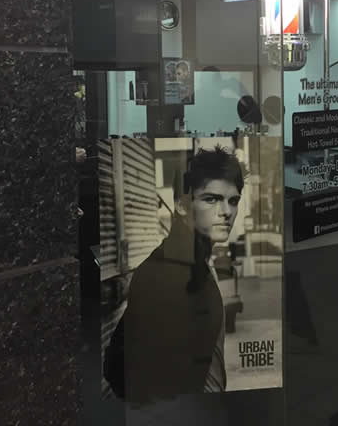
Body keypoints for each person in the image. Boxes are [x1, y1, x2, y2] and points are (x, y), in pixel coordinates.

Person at [104, 146, 245, 403]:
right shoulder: (169, 273)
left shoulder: (194, 260)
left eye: (232, 200)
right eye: (211, 199)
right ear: (181, 205)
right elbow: (145, 384)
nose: (226, 212)